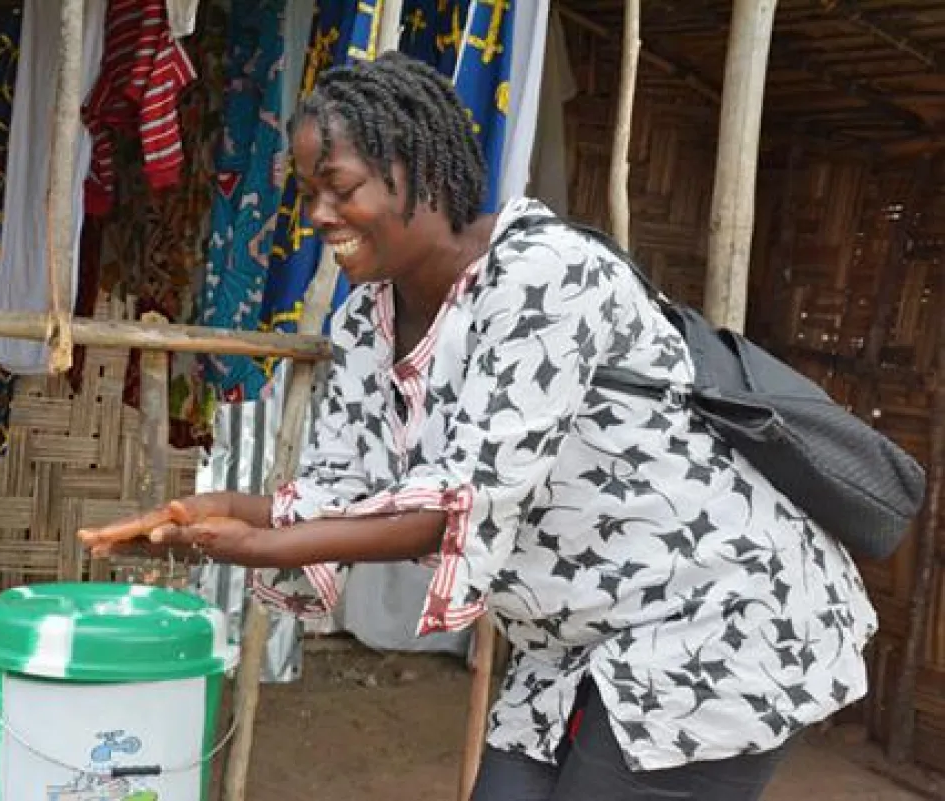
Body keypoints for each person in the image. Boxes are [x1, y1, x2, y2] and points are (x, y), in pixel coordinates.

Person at [79, 52, 878, 801]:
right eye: (307, 193)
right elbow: (341, 497)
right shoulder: (364, 322)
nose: (318, 214)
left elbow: (457, 504)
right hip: (574, 639)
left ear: (422, 173)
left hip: (720, 617)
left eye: (340, 187)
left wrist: (249, 545)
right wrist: (216, 513)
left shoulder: (545, 275)